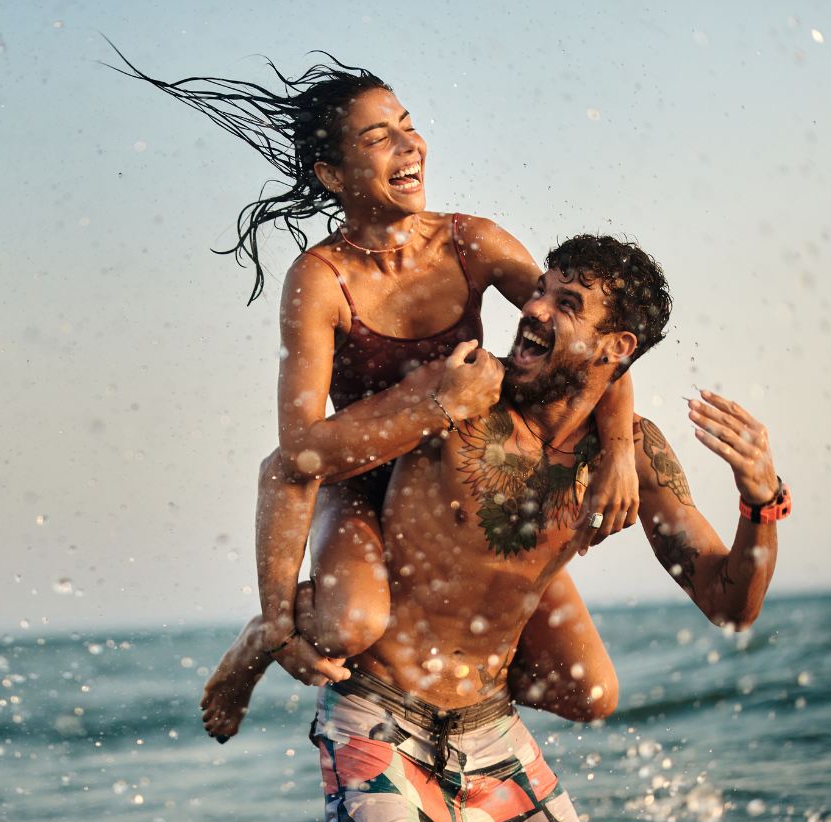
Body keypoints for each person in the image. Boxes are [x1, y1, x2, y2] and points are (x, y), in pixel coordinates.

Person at [104, 49, 639, 738]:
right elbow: (298, 451)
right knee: (351, 625)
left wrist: (621, 448)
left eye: (408, 124)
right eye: (376, 137)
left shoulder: (470, 243)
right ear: (333, 174)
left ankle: (459, 692)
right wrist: (439, 407)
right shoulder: (321, 279)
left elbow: (586, 341)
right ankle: (263, 637)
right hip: (364, 480)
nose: (408, 142)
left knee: (588, 691)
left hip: (460, 492)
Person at [300, 233, 786, 822]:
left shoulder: (633, 455)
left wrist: (761, 501)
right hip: (378, 717)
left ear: (613, 347)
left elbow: (730, 604)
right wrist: (285, 614)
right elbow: (310, 459)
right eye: (540, 289)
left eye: (566, 303)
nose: (530, 307)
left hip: (492, 732)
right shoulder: (460, 390)